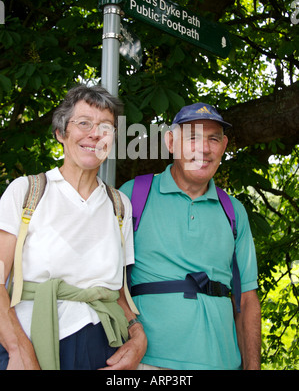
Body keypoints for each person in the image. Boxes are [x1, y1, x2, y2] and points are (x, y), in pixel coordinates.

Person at [0, 84, 146, 370]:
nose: (95, 134)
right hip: (31, 344)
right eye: (83, 123)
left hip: (104, 349)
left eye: (105, 127)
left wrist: (138, 338)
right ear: (60, 133)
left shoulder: (120, 206)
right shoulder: (27, 192)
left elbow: (118, 294)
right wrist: (18, 350)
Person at [120, 102, 261, 370]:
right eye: (193, 137)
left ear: (224, 146)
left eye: (213, 139)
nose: (204, 149)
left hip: (223, 362)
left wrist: (253, 367)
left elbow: (247, 299)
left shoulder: (233, 211)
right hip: (148, 362)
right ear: (171, 142)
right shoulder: (133, 195)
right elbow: (106, 283)